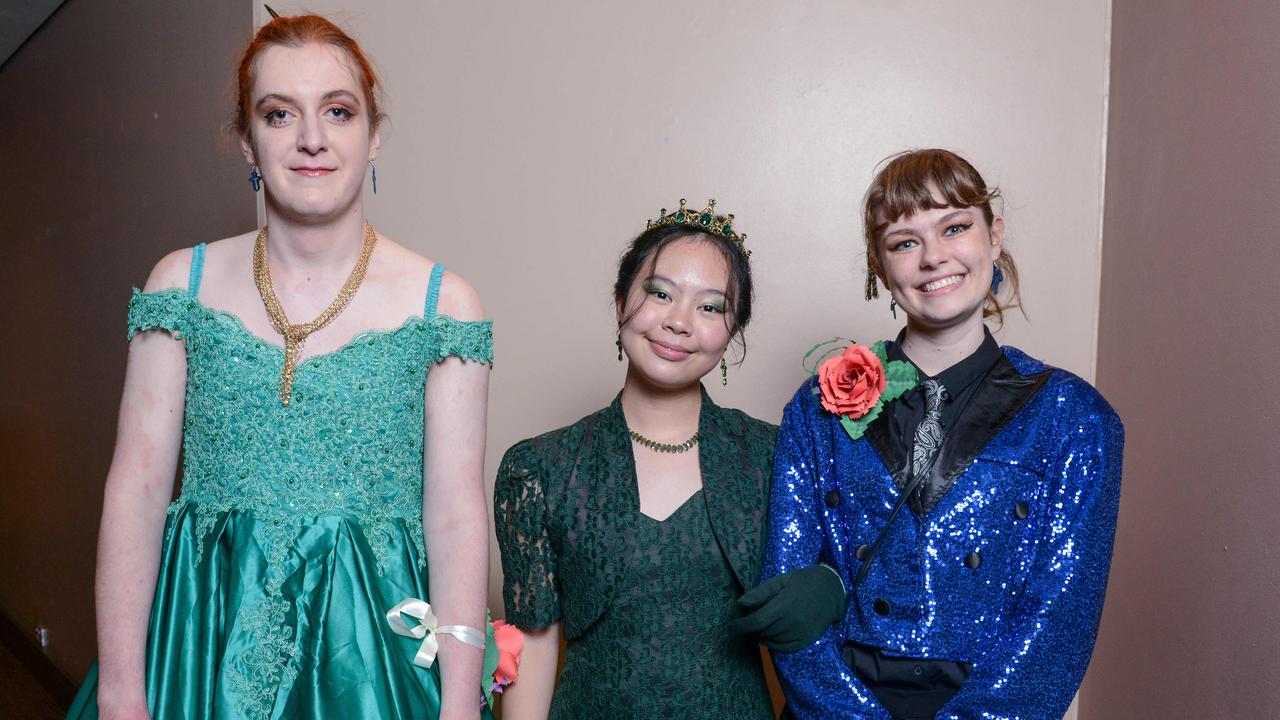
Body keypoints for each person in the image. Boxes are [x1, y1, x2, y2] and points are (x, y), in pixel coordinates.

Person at [69, 13, 493, 720]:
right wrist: (120, 691)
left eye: (337, 110)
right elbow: (135, 492)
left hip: (371, 659)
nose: (312, 139)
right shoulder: (181, 287)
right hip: (200, 646)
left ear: (374, 134)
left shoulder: (443, 303)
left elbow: (456, 513)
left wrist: (459, 703)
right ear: (247, 141)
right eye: (278, 114)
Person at [761, 149, 1124, 720]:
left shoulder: (1075, 419)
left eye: (954, 227)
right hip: (833, 708)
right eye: (904, 242)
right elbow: (788, 596)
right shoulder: (815, 408)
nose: (933, 258)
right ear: (879, 266)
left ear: (993, 235)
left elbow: (1060, 621)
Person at [493, 201, 777, 720]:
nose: (679, 322)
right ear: (621, 297)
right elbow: (532, 648)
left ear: (732, 331)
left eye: (711, 307)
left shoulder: (773, 457)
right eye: (659, 293)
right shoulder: (539, 468)